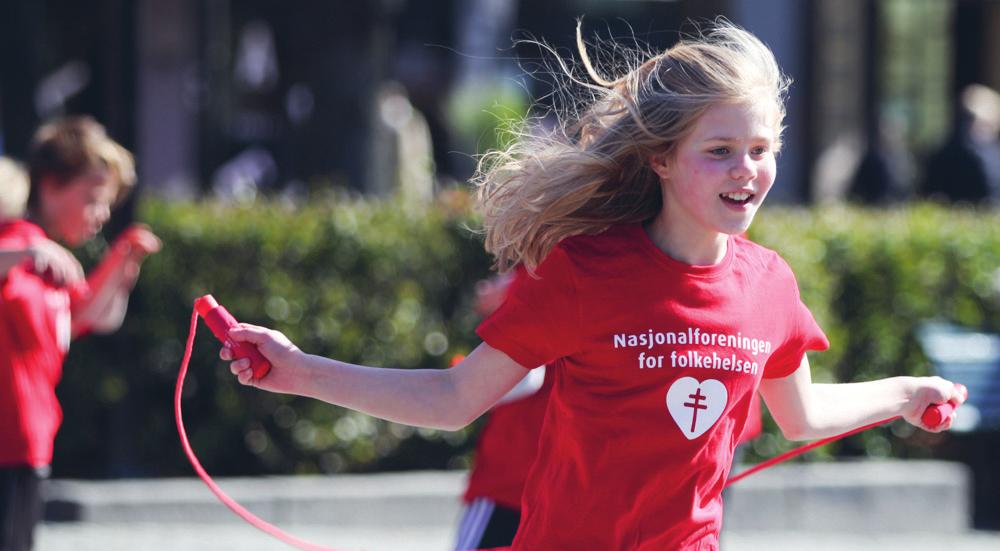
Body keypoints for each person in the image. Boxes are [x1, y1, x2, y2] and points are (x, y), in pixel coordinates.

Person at [219, 21, 966, 550]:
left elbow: (800, 415)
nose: (748, 170)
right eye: (720, 150)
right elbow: (452, 401)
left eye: (762, 149)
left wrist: (906, 392)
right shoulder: (587, 272)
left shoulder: (770, 284)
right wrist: (298, 370)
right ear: (661, 161)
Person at [0, 116, 161, 551]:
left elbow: (90, 314)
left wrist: (125, 261)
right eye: (92, 198)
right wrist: (24, 252)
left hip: (28, 448)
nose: (102, 213)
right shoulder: (22, 244)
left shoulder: (51, 262)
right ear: (50, 187)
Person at [453, 273, 551, 550]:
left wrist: (512, 287)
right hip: (535, 491)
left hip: (508, 487)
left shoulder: (544, 281)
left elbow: (528, 379)